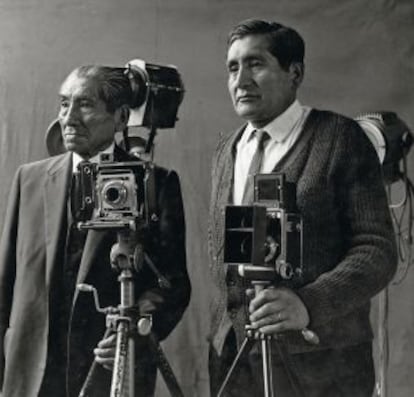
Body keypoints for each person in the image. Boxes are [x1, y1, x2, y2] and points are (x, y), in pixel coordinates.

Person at [208, 19, 397, 396]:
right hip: (235, 357)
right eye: (233, 67)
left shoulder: (340, 138)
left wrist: (309, 303)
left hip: (320, 361)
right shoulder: (226, 149)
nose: (241, 80)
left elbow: (377, 250)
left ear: (294, 72)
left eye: (255, 64)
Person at [0, 65, 191, 397]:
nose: (69, 117)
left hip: (112, 372)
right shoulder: (28, 180)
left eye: (85, 104)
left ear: (119, 118)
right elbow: (5, 285)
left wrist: (135, 332)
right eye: (63, 104)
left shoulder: (155, 184)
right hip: (29, 378)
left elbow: (174, 284)